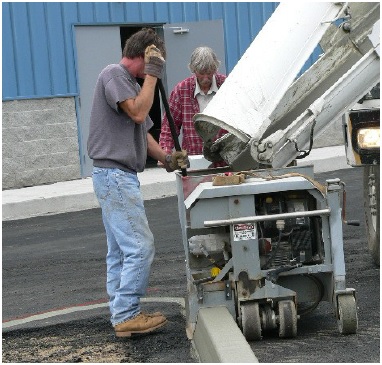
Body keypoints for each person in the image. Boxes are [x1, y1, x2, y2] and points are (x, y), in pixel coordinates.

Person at [87, 28, 188, 338]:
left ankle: (122, 313)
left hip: (116, 175)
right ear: (146, 54)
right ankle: (127, 314)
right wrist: (154, 74)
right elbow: (138, 111)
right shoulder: (113, 74)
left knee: (120, 251)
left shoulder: (129, 83)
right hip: (114, 175)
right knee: (140, 247)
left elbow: (142, 132)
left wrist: (168, 158)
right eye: (153, 61)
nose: (154, 69)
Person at [159, 46, 227, 166]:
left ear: (216, 68)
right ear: (193, 69)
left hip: (225, 158)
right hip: (194, 159)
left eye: (210, 73)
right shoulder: (181, 90)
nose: (206, 78)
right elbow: (170, 126)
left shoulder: (228, 86)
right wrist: (165, 152)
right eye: (201, 73)